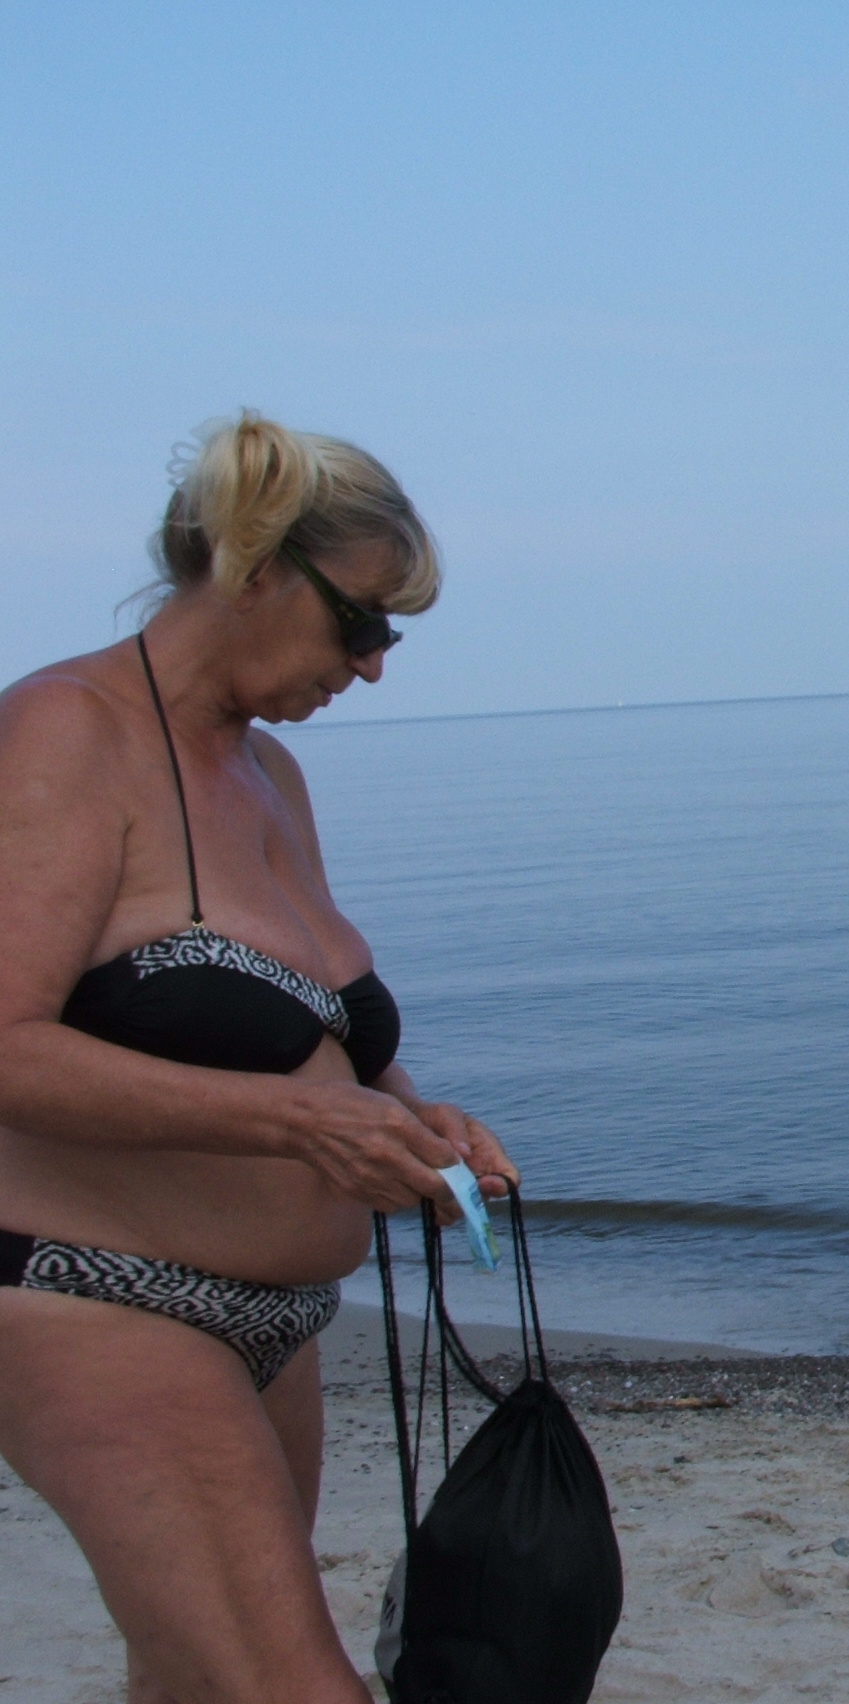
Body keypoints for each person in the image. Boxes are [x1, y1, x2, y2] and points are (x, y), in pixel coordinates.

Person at [0, 412, 519, 1704]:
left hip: (277, 1328)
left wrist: (411, 1120)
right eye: (361, 622)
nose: (374, 666)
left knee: (192, 1681)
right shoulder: (66, 732)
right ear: (253, 566)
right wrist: (298, 1128)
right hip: (93, 1297)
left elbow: (315, 1029)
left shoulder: (271, 774)